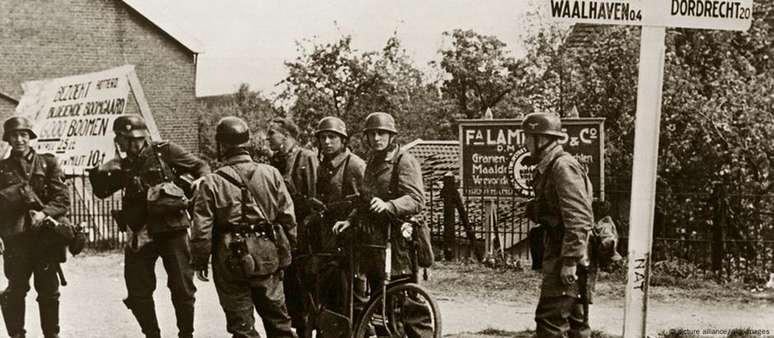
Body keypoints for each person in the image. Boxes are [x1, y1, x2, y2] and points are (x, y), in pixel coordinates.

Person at [88, 114, 210, 338]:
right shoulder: (121, 164)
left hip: (171, 228)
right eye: (127, 139)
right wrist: (99, 169)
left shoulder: (165, 151)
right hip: (139, 232)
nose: (133, 144)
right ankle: (152, 334)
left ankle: (186, 334)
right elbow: (102, 191)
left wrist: (201, 179)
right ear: (119, 140)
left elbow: (200, 165)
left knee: (182, 287)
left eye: (137, 139)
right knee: (137, 291)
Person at [191, 116, 297, 337]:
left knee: (242, 327)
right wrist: (289, 249)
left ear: (222, 144)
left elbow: (202, 230)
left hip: (230, 258)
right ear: (247, 142)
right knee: (279, 322)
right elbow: (288, 217)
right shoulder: (271, 174)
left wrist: (200, 261)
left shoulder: (212, 182)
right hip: (267, 254)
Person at [332, 112, 432, 337]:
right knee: (381, 301)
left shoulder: (403, 161)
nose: (377, 138)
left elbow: (416, 199)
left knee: (406, 302)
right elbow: (365, 201)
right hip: (375, 243)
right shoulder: (372, 162)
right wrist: (350, 220)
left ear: (391, 136)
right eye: (372, 134)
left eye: (382, 133)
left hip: (399, 244)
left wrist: (390, 205)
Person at [522, 112, 593, 338]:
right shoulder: (551, 165)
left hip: (568, 252)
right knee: (575, 324)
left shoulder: (562, 166)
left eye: (527, 137)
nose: (524, 142)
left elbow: (579, 217)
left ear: (540, 139)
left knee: (550, 320)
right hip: (563, 249)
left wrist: (570, 260)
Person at [0, 116, 70, 338]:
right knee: (15, 291)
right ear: (8, 139)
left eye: (24, 135)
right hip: (15, 240)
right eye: (14, 135)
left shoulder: (47, 163)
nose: (19, 139)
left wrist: (44, 213)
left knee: (49, 292)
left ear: (30, 137)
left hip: (44, 239)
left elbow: (62, 199)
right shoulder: (2, 169)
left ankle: (52, 335)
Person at [308, 116, 365, 316]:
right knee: (329, 295)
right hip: (328, 240)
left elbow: (365, 202)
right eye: (323, 138)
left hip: (352, 241)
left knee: (354, 296)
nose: (327, 142)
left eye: (332, 137)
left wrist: (350, 220)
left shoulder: (355, 165)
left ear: (343, 140)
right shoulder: (323, 166)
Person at [266, 117, 317, 336]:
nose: (268, 138)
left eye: (272, 134)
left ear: (285, 135)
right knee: (289, 289)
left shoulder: (306, 158)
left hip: (305, 235)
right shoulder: (275, 161)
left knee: (305, 286)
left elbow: (314, 197)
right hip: (284, 235)